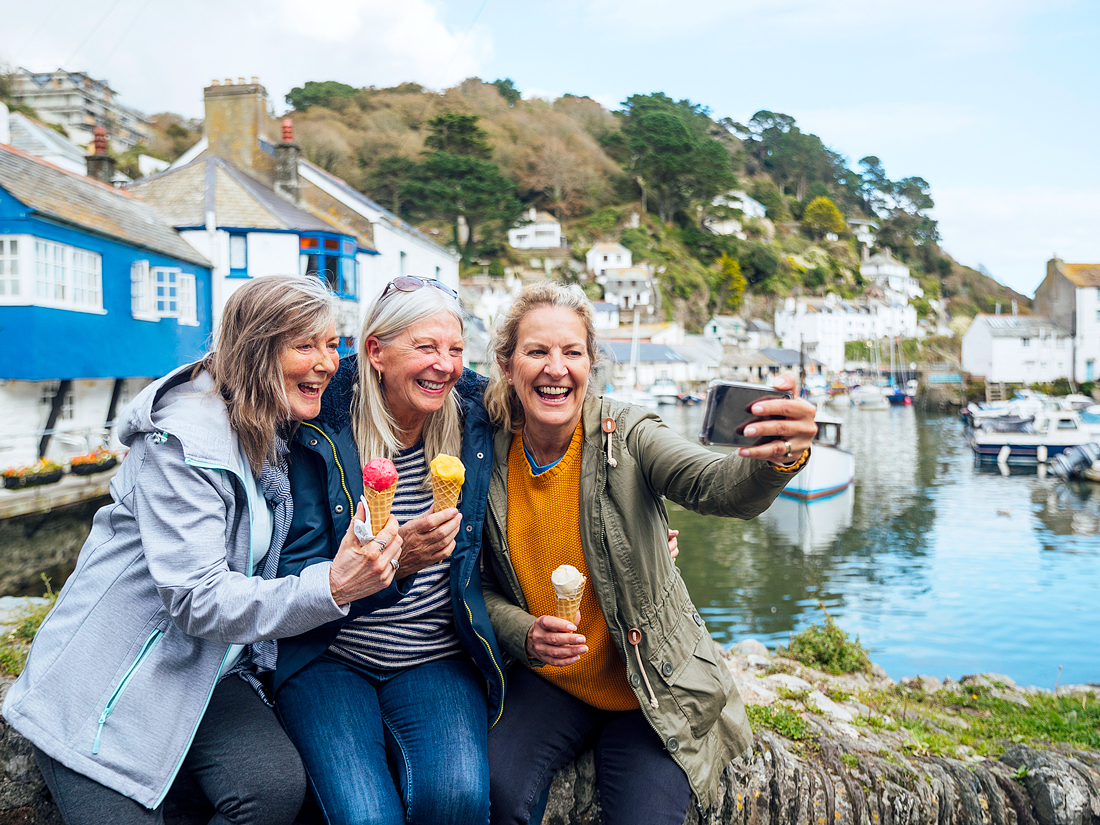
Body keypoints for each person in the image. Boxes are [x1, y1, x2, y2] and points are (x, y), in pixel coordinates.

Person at [2, 275, 404, 825]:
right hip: (113, 680)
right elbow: (196, 598)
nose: (328, 362)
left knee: (271, 789)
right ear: (257, 352)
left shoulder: (267, 430)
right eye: (306, 344)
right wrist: (333, 586)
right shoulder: (185, 444)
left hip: (206, 667)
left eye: (333, 344)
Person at [480, 282, 818, 825]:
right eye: (536, 351)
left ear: (591, 363)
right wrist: (524, 632)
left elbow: (713, 484)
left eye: (572, 352)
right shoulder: (488, 451)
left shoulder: (629, 434)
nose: (555, 368)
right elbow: (478, 585)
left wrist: (776, 458)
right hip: (551, 682)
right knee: (493, 791)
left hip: (650, 690)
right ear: (506, 362)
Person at [273, 275, 505, 825]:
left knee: (457, 800)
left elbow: (566, 434)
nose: (444, 365)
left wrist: (636, 536)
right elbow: (290, 568)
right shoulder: (321, 431)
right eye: (425, 348)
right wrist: (396, 563)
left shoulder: (475, 424)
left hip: (436, 652)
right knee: (363, 816)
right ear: (375, 351)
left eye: (454, 350)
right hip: (329, 654)